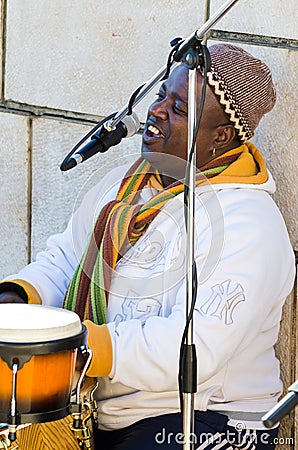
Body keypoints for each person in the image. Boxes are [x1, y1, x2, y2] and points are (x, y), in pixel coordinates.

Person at [0, 43, 295, 449]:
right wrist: (18, 296)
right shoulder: (128, 182)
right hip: (103, 411)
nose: (156, 112)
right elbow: (68, 259)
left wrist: (84, 347)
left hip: (206, 421)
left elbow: (195, 347)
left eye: (179, 109)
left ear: (220, 137)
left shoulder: (249, 224)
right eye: (161, 96)